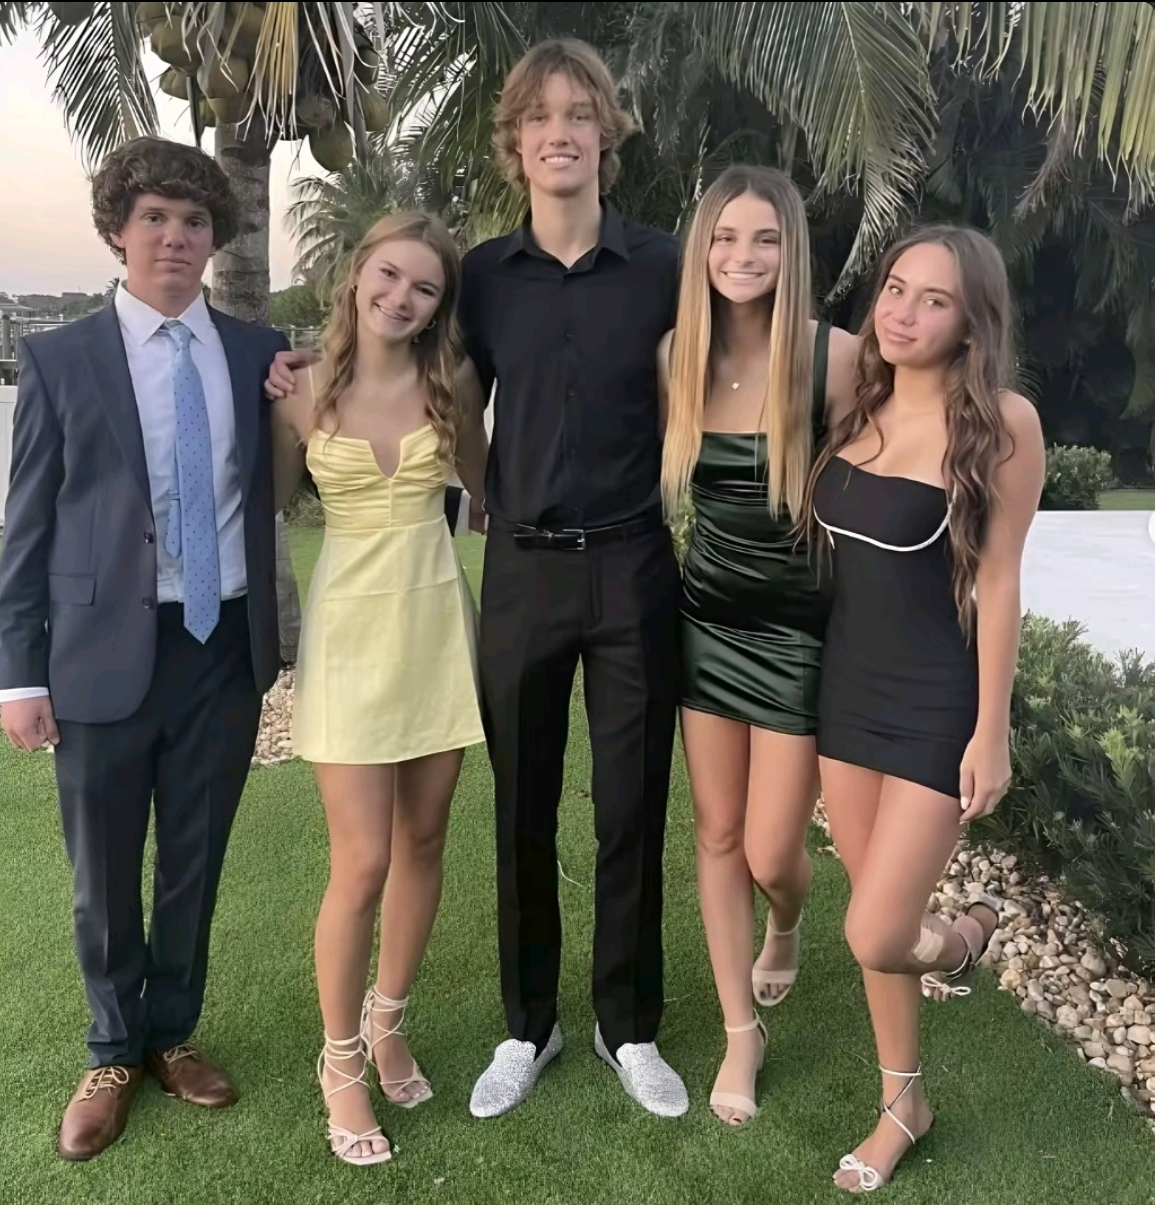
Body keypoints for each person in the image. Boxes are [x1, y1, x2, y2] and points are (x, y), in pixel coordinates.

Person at [267, 38, 687, 1119]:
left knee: (632, 804)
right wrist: (293, 372)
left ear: (605, 133)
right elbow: (401, 360)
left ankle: (628, 1025)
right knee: (521, 808)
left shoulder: (662, 265)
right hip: (522, 571)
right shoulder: (485, 278)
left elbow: (743, 354)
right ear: (514, 142)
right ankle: (529, 1024)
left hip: (634, 562)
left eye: (578, 114)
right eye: (538, 117)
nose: (559, 132)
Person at [0, 137, 290, 1161]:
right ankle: (112, 1048)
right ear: (118, 230)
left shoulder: (258, 353)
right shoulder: (61, 357)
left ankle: (172, 1032)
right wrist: (19, 671)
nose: (175, 236)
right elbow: (28, 523)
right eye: (154, 217)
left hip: (221, 643)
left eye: (193, 220)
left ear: (215, 238)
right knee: (105, 865)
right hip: (98, 651)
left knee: (195, 857)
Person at [805, 226, 1044, 1192]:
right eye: (895, 288)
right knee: (874, 907)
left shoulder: (1003, 424)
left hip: (935, 702)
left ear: (971, 321)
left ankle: (964, 939)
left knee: (876, 930)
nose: (902, 312)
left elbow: (1001, 581)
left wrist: (992, 728)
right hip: (845, 696)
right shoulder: (853, 397)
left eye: (933, 299)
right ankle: (904, 1101)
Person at [269, 212, 487, 1166]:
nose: (403, 298)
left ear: (440, 305)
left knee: (424, 840)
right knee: (361, 863)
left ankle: (389, 1019)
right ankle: (341, 1060)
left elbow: (490, 497)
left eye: (425, 287)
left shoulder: (456, 385)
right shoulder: (297, 387)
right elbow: (268, 505)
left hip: (436, 627)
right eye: (390, 276)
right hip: (349, 637)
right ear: (358, 274)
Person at [659, 165, 858, 1126]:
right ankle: (742, 1030)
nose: (743, 256)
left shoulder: (834, 358)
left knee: (775, 850)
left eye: (765, 239)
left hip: (799, 631)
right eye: (726, 237)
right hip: (706, 619)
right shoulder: (676, 355)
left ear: (792, 252)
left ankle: (787, 917)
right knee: (717, 833)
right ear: (702, 247)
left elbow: (889, 472)